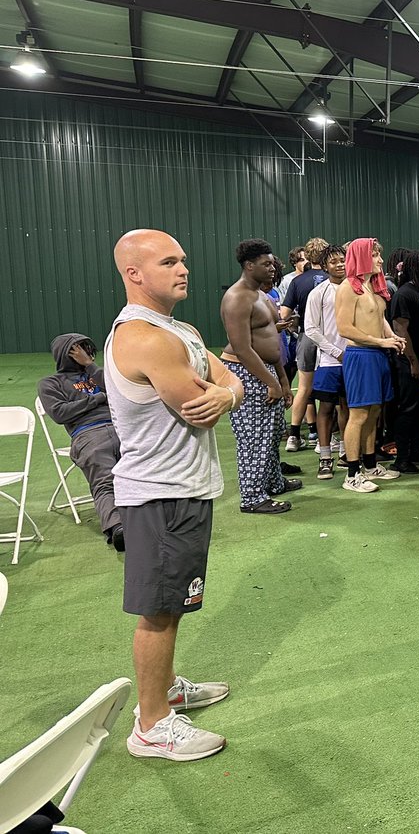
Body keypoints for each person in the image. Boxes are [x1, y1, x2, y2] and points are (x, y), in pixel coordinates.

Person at [106, 228, 244, 762]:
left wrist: (226, 393)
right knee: (160, 611)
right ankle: (151, 725)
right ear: (134, 274)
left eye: (182, 259)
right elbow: (199, 406)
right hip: (160, 495)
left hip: (183, 489)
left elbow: (227, 380)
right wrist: (224, 394)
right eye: (168, 262)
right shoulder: (145, 338)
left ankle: (164, 690)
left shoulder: (179, 329)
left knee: (174, 602)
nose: (183, 268)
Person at [219, 239, 300, 514]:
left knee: (272, 432)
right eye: (266, 264)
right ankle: (252, 497)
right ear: (249, 265)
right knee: (254, 438)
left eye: (272, 263)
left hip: (267, 370)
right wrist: (271, 382)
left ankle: (273, 482)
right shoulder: (237, 297)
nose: (272, 268)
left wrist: (283, 382)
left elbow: (270, 340)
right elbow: (242, 349)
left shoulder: (262, 295)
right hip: (246, 372)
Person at [37, 334, 124, 550]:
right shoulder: (51, 383)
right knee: (104, 481)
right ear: (66, 354)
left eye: (87, 349)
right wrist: (98, 398)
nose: (86, 353)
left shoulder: (100, 375)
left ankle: (152, 521)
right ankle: (118, 528)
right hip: (88, 435)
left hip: (122, 429)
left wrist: (90, 365)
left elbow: (119, 391)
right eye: (79, 350)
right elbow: (60, 412)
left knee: (145, 474)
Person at [334, 237, 403, 493]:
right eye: (375, 255)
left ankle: (371, 465)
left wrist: (391, 336)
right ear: (362, 256)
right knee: (359, 415)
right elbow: (344, 328)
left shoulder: (371, 285)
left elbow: (379, 317)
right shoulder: (347, 288)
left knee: (374, 412)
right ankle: (352, 474)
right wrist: (380, 341)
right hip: (361, 356)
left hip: (377, 355)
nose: (380, 260)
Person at [304, 243, 350, 481]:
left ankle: (346, 452)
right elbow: (311, 329)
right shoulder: (318, 293)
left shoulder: (357, 288)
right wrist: (335, 352)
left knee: (348, 407)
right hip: (330, 362)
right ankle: (325, 458)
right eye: (334, 261)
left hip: (354, 359)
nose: (340, 265)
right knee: (327, 409)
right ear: (324, 266)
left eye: (342, 260)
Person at [281, 237, 329, 451]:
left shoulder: (297, 281)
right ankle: (326, 439)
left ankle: (293, 437)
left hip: (307, 336)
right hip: (330, 338)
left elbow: (284, 314)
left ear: (307, 256)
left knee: (304, 388)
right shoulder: (334, 279)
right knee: (333, 391)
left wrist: (296, 323)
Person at [388, 248, 419, 474]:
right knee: (408, 408)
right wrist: (413, 362)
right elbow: (400, 330)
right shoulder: (404, 294)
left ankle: (416, 451)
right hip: (409, 363)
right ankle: (402, 458)